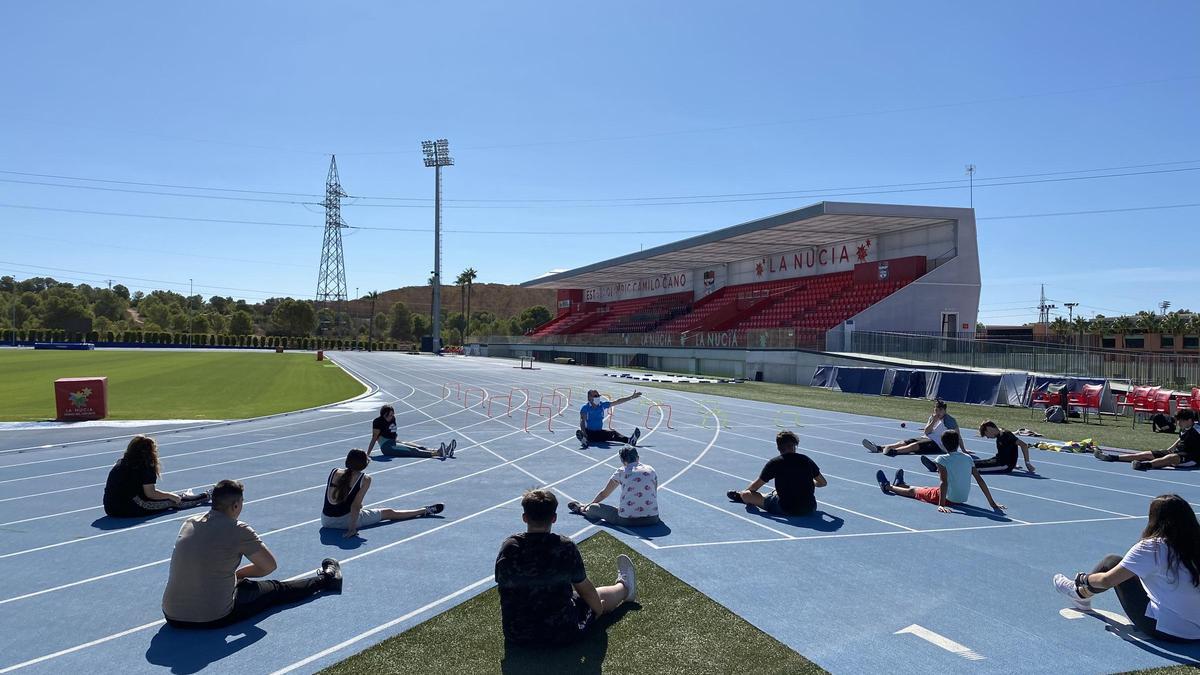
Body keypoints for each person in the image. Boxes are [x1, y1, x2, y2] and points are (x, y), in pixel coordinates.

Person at [162, 479, 342, 628]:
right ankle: (327, 580)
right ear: (235, 506)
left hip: (172, 615)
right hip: (214, 616)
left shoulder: (189, 522)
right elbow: (269, 566)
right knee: (276, 589)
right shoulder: (238, 529)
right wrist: (239, 574)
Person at [495, 489, 637, 646]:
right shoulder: (564, 547)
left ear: (524, 517)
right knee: (595, 597)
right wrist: (598, 611)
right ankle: (625, 588)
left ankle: (620, 590)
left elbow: (503, 586)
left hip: (516, 633)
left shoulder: (510, 546)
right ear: (554, 518)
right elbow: (586, 589)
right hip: (562, 631)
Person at [1053, 494, 1200, 642]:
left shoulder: (1152, 547)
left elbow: (1106, 580)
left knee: (1112, 561)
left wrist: (1084, 579)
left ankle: (1077, 592)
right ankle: (1081, 594)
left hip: (1168, 629)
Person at [322, 449, 445, 538]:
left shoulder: (334, 471)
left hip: (326, 520)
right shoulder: (365, 479)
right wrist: (352, 529)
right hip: (345, 522)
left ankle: (424, 510)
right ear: (364, 464)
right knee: (388, 512)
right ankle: (423, 511)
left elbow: (342, 498)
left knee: (362, 508)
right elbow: (355, 506)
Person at [875, 430, 1005, 513]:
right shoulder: (968, 458)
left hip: (948, 499)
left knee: (914, 492)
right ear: (958, 444)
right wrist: (992, 503)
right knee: (925, 489)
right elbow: (980, 480)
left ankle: (888, 487)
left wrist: (941, 504)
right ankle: (901, 485)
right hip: (962, 498)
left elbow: (944, 483)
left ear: (943, 444)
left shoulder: (942, 459)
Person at [103, 435, 209, 517]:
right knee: (174, 501)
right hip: (131, 508)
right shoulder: (145, 465)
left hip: (109, 507)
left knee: (170, 497)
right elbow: (150, 494)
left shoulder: (121, 462)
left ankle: (188, 496)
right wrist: (171, 495)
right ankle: (206, 495)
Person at [726, 430, 826, 516]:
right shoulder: (806, 460)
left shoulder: (775, 463)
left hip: (785, 508)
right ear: (794, 446)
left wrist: (746, 494)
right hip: (810, 508)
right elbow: (823, 483)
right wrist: (811, 482)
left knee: (747, 494)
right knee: (781, 490)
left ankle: (742, 496)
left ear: (778, 448)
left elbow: (754, 487)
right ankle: (773, 494)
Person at [567, 446, 660, 527]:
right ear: (638, 458)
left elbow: (604, 494)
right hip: (652, 518)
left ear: (623, 461)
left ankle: (581, 508)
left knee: (594, 508)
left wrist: (591, 504)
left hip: (627, 520)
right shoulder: (651, 470)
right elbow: (654, 493)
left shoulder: (622, 471)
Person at [1094, 409, 1199, 470]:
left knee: (1171, 458)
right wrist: (1172, 447)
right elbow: (1181, 438)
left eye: (1181, 421)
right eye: (1178, 421)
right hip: (1177, 452)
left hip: (1191, 458)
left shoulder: (1197, 430)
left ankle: (1144, 465)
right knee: (1146, 454)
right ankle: (1112, 457)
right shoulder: (1184, 428)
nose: (1178, 424)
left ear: (1189, 420)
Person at [920, 421, 1034, 474]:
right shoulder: (1000, 436)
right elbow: (1010, 451)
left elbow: (1023, 445)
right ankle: (937, 464)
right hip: (997, 460)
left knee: (975, 469)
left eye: (986, 435)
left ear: (989, 429)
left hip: (1003, 465)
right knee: (973, 463)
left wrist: (1027, 463)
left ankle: (941, 469)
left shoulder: (1006, 435)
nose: (988, 438)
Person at [862, 399, 968, 456]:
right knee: (904, 442)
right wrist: (934, 421)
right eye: (936, 410)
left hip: (939, 445)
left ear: (945, 410)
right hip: (928, 438)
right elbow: (927, 431)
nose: (937, 412)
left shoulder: (949, 421)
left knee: (915, 445)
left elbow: (958, 435)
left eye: (940, 410)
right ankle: (879, 448)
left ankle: (894, 452)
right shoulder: (933, 417)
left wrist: (963, 449)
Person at [367, 404, 455, 458]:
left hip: (393, 442)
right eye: (389, 415)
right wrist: (368, 454)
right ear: (384, 415)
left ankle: (444, 451)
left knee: (420, 447)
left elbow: (393, 431)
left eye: (393, 414)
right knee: (413, 450)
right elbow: (374, 438)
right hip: (387, 447)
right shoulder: (377, 422)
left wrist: (397, 440)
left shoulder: (393, 418)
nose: (392, 417)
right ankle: (439, 454)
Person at [576, 389, 642, 449]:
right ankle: (585, 438)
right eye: (596, 396)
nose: (598, 397)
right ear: (590, 398)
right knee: (592, 435)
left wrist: (631, 397)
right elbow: (582, 421)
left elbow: (617, 401)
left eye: (598, 395)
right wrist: (584, 433)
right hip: (589, 432)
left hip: (599, 432)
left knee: (613, 433)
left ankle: (630, 440)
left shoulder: (602, 405)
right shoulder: (585, 408)